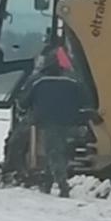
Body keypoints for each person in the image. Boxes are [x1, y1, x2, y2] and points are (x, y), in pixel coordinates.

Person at [21, 46, 82, 198]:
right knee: (55, 150)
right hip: (69, 123)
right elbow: (84, 100)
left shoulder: (38, 82)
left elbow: (23, 103)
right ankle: (46, 184)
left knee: (54, 152)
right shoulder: (73, 81)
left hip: (48, 122)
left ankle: (63, 186)